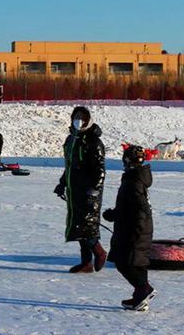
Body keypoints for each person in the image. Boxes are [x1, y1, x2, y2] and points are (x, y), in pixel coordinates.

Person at [53, 106, 107, 273]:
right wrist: (63, 183)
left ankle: (99, 252)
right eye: (76, 117)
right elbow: (70, 166)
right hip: (74, 189)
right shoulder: (71, 140)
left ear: (88, 120)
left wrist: (94, 190)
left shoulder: (93, 141)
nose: (78, 120)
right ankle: (86, 263)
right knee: (78, 225)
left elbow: (100, 170)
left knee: (87, 223)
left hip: (89, 190)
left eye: (82, 118)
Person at [103, 145, 155, 311]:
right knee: (138, 262)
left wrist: (136, 229)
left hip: (134, 228)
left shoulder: (133, 180)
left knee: (123, 262)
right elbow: (130, 206)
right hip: (137, 226)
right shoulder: (136, 177)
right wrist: (114, 214)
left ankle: (143, 289)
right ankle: (140, 297)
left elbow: (139, 208)